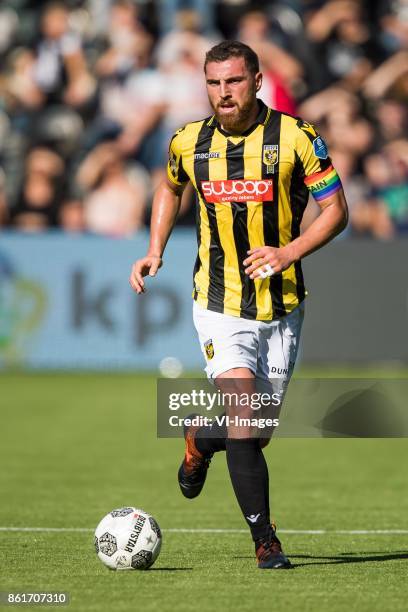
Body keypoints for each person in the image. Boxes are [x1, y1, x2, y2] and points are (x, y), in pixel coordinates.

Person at [129, 41, 348, 569]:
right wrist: (154, 249)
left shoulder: (296, 137)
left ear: (255, 80)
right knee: (245, 413)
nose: (222, 93)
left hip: (283, 303)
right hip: (219, 302)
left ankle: (199, 441)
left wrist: (288, 251)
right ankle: (265, 541)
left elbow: (335, 209)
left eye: (232, 81)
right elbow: (169, 187)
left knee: (258, 431)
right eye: (213, 82)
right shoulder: (188, 140)